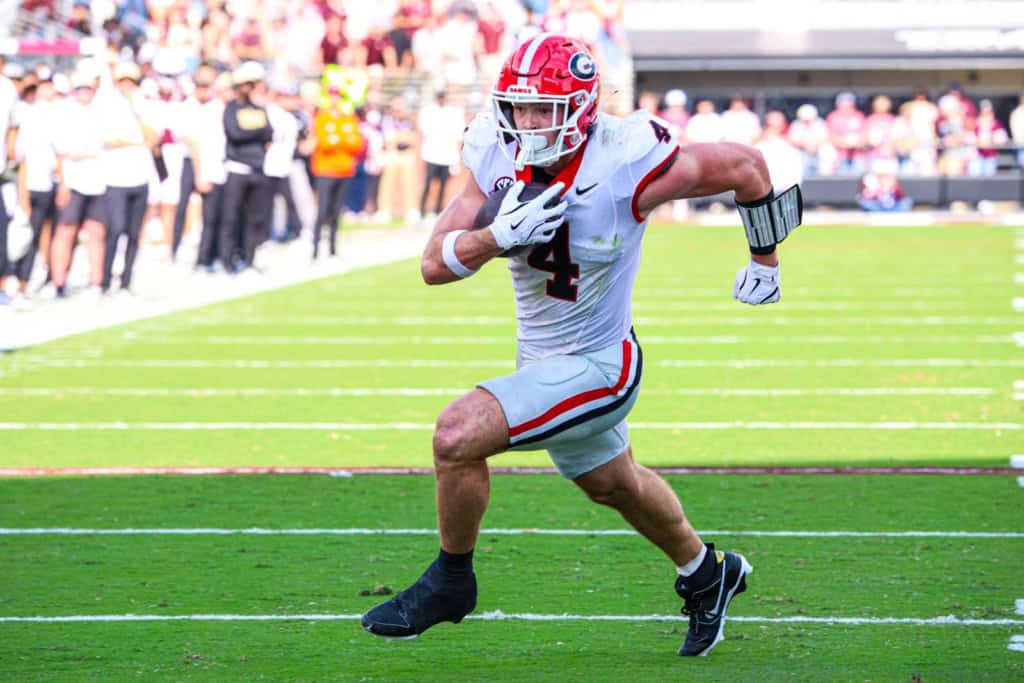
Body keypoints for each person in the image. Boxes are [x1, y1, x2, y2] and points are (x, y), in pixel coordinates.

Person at [361, 33, 802, 658]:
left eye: (546, 109)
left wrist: (766, 260)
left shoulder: (625, 163)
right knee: (612, 484)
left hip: (602, 365)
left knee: (456, 435)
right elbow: (434, 264)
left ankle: (451, 581)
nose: (531, 123)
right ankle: (707, 573)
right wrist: (493, 237)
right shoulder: (492, 150)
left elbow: (748, 168)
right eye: (521, 107)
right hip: (544, 364)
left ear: (583, 109)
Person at [219, 61, 273, 274]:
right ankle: (227, 261)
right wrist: (256, 133)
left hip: (257, 169)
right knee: (231, 217)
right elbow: (236, 133)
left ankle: (249, 260)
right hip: (237, 169)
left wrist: (255, 133)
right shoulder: (231, 108)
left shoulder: (258, 109)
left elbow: (269, 132)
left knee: (254, 218)